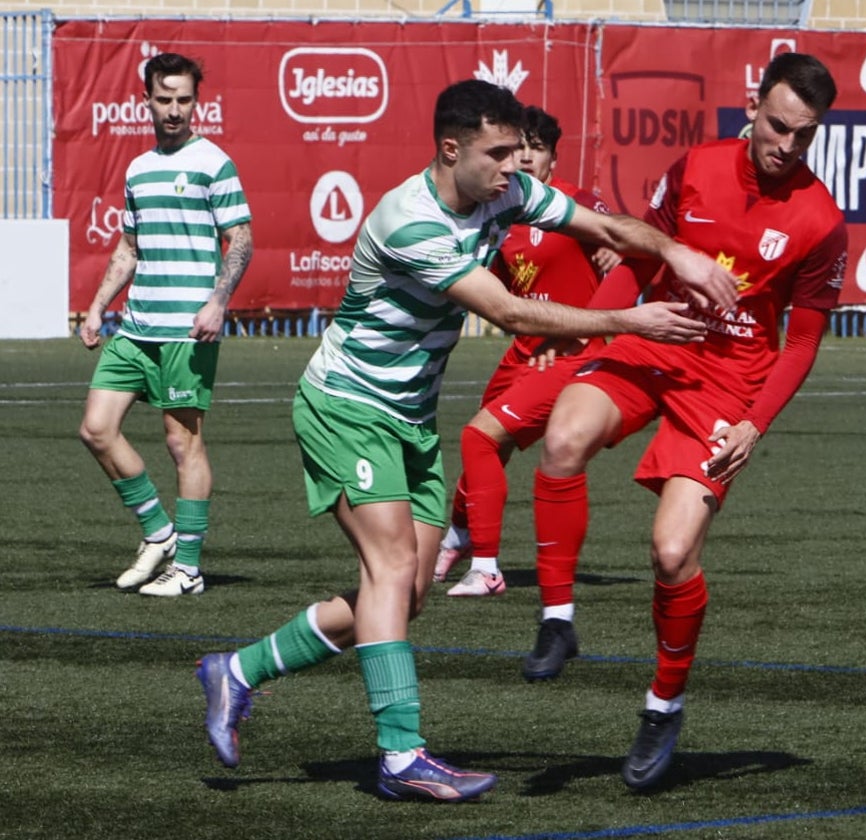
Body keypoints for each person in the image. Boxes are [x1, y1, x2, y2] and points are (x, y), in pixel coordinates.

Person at [194, 79, 738, 802]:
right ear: (451, 150)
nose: (516, 167)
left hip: (410, 420)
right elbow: (512, 313)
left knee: (405, 594)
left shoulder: (502, 194)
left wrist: (681, 254)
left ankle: (237, 671)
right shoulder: (410, 222)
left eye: (519, 152)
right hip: (346, 409)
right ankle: (401, 755)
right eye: (499, 152)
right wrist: (635, 322)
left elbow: (605, 227)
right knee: (390, 571)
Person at [522, 51, 848, 790]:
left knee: (671, 553)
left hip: (730, 384)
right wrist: (607, 317)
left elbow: (801, 340)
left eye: (805, 135)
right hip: (655, 339)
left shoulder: (821, 220)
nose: (787, 146)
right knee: (563, 436)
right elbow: (642, 252)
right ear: (753, 106)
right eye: (778, 127)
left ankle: (663, 704)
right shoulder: (696, 166)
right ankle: (558, 617)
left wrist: (756, 423)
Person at [78, 52, 253, 597]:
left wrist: (219, 300)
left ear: (196, 102)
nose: (174, 110)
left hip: (186, 329)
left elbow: (241, 239)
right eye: (164, 98)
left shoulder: (213, 162)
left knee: (183, 446)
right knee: (96, 429)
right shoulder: (137, 168)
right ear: (147, 100)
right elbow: (129, 247)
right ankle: (159, 533)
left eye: (184, 99)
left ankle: (190, 569)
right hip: (136, 327)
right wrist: (98, 304)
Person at [434, 104, 621, 596]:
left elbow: (624, 242)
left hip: (574, 352)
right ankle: (457, 535)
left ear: (553, 159)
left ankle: (485, 565)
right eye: (518, 148)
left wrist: (617, 250)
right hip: (525, 351)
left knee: (480, 439)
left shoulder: (580, 204)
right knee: (484, 446)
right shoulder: (502, 218)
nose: (526, 157)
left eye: (535, 148)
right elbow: (492, 290)